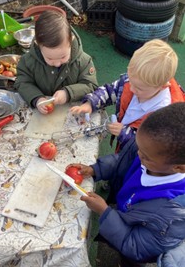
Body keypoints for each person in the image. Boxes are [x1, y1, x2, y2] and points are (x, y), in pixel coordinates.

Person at [69, 102, 185, 267]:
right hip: (126, 211)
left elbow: (135, 246)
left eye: (145, 156)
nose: (139, 154)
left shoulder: (173, 216)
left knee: (128, 261)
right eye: (139, 148)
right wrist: (95, 169)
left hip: (136, 248)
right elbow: (122, 161)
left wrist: (104, 212)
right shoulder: (149, 152)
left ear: (179, 168)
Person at [70, 39, 185, 152]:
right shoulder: (135, 80)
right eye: (130, 81)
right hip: (125, 149)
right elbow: (110, 91)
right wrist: (91, 103)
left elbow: (150, 149)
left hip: (139, 163)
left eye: (138, 88)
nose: (131, 88)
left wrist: (124, 133)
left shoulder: (164, 117)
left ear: (162, 86)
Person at [14, 10, 98, 114]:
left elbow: (91, 85)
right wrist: (37, 99)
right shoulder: (27, 61)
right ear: (37, 45)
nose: (58, 63)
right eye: (50, 58)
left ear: (71, 41)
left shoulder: (83, 61)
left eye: (63, 57)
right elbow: (22, 82)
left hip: (72, 113)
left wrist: (68, 93)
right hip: (41, 115)